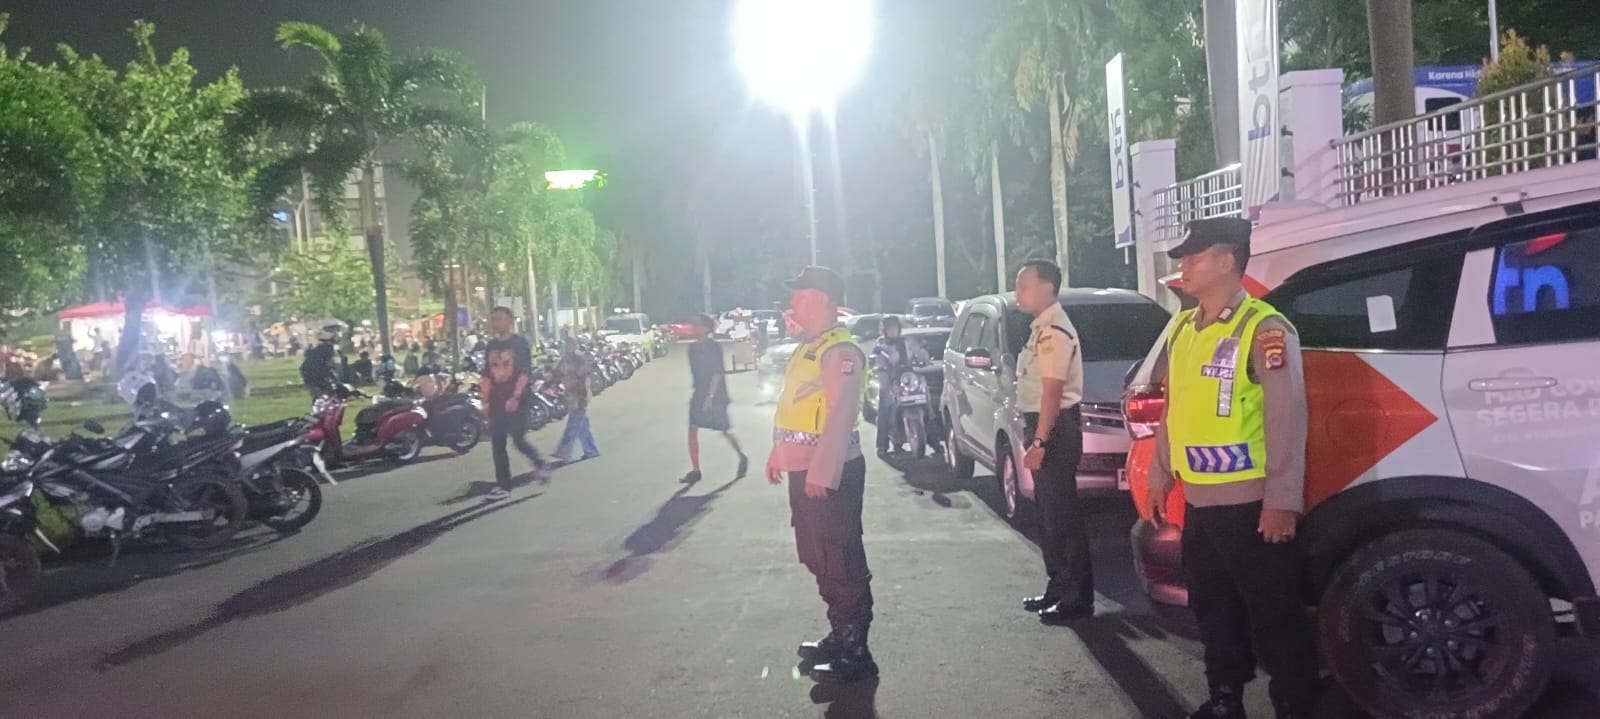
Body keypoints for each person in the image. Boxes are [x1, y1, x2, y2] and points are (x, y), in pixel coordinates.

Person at [1147, 218, 1318, 719]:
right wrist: (1160, 474)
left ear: (1226, 261)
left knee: (1274, 612)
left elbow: (1287, 416)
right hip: (1200, 504)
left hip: (1251, 505)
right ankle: (1225, 698)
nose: (1183, 266)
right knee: (1212, 606)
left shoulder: (1263, 329)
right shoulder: (1183, 328)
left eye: (1194, 256)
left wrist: (1282, 500)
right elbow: (1174, 409)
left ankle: (1294, 704)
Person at [766, 266, 875, 684]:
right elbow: (794, 408)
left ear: (824, 300)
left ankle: (855, 650)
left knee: (840, 558)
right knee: (817, 555)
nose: (793, 303)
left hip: (831, 474)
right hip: (805, 470)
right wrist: (779, 453)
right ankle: (839, 634)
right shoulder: (809, 348)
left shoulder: (840, 351)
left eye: (801, 296)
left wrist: (823, 472)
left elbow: (841, 413)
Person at [1013, 259, 1096, 625]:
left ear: (1047, 287)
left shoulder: (1054, 332)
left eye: (1024, 285)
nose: (1018, 293)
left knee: (1062, 517)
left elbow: (1052, 393)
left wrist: (1040, 441)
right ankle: (1059, 587)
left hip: (1055, 429)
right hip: (1047, 426)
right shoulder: (1041, 328)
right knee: (1049, 515)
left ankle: (1076, 598)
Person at [481, 306, 549, 501]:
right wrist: (484, 399)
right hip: (497, 400)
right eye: (493, 319)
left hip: (518, 401)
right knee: (497, 443)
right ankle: (504, 485)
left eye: (500, 318)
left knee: (518, 440)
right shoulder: (490, 346)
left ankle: (540, 463)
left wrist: (515, 397)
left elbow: (525, 372)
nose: (496, 323)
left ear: (510, 320)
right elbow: (487, 374)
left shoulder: (519, 344)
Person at [684, 313, 747, 483]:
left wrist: (711, 396)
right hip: (699, 392)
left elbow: (717, 373)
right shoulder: (693, 348)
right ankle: (696, 469)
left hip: (716, 394)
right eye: (694, 325)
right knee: (692, 429)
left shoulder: (714, 347)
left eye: (698, 325)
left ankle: (741, 456)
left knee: (724, 429)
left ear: (706, 328)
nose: (695, 328)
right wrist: (700, 394)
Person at [869, 315, 930, 456]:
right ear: (884, 330)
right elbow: (875, 360)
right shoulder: (881, 346)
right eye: (889, 329)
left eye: (895, 328)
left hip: (908, 379)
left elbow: (920, 352)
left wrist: (924, 358)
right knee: (884, 408)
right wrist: (879, 366)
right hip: (890, 380)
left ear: (899, 329)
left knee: (927, 402)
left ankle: (934, 440)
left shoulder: (908, 342)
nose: (892, 331)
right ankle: (882, 446)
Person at [553, 337, 600, 463]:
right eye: (566, 345)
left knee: (574, 423)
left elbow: (585, 377)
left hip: (580, 395)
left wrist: (583, 395)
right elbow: (557, 373)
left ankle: (564, 451)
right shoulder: (565, 359)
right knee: (581, 424)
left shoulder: (579, 359)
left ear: (575, 345)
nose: (567, 347)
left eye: (570, 345)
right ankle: (591, 450)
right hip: (570, 394)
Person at [300, 326, 340, 398]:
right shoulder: (326, 349)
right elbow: (327, 365)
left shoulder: (322, 348)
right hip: (317, 378)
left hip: (315, 377)